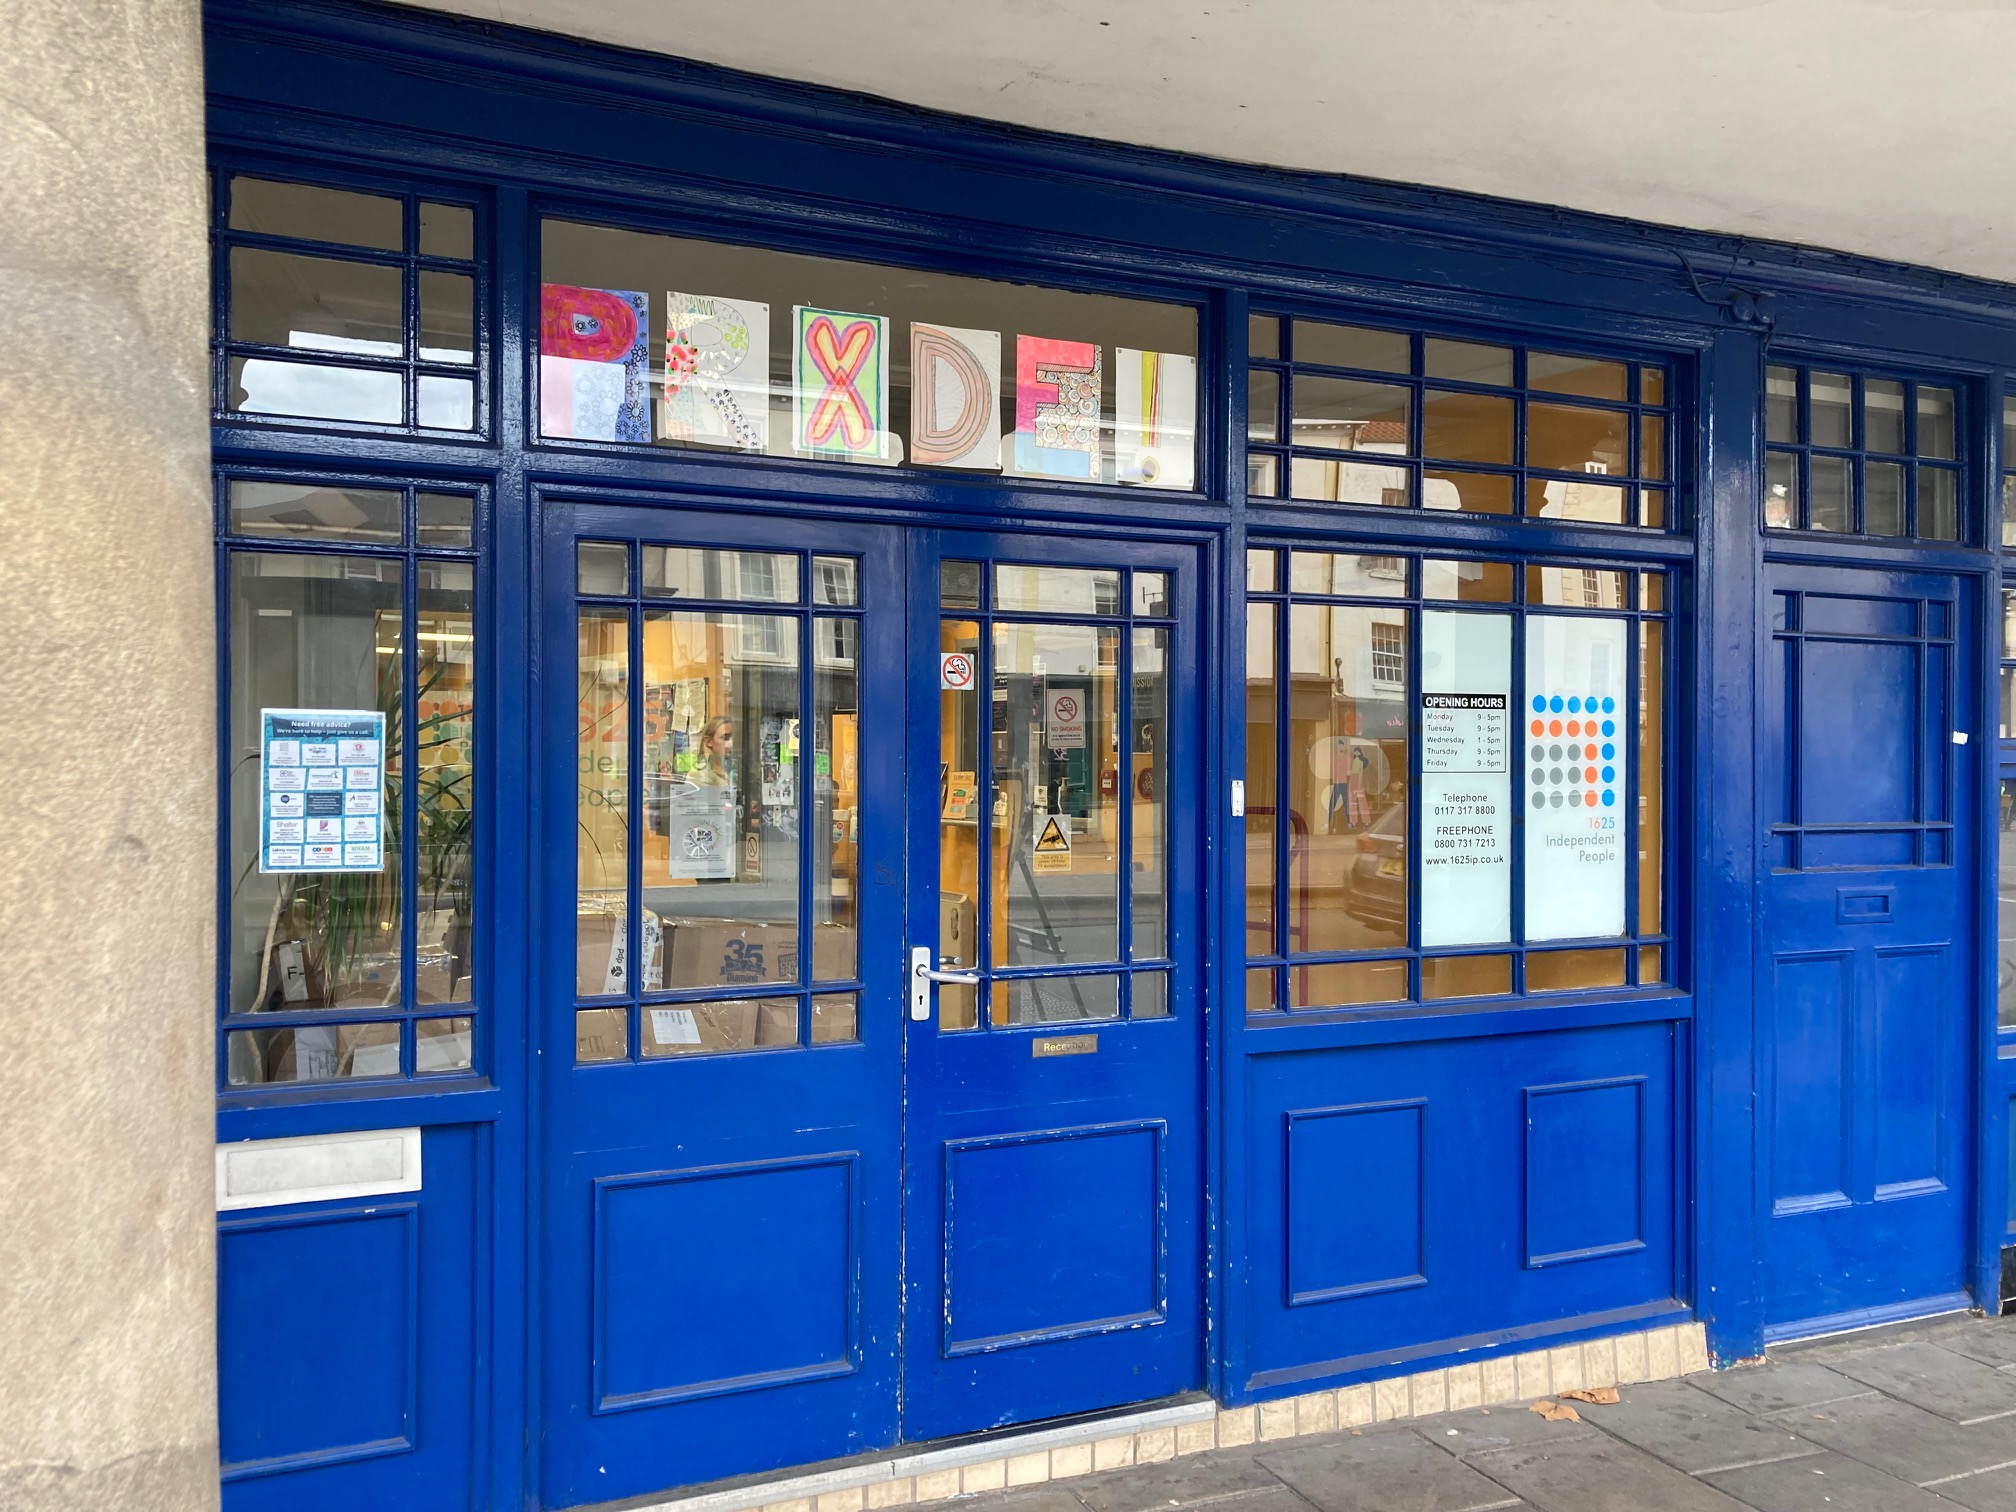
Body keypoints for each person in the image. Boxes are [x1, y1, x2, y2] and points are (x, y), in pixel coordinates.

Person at [691, 717, 733, 787]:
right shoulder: (700, 774)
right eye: (725, 738)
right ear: (709, 741)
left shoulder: (729, 769)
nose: (731, 743)